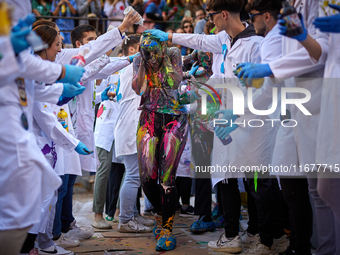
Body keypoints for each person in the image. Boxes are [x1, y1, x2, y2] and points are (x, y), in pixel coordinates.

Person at [0, 1, 85, 253]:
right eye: (57, 44)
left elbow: (32, 83)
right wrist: (61, 74)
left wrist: (60, 87)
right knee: (27, 202)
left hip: (22, 135)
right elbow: (27, 68)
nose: (60, 49)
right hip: (16, 136)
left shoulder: (23, 46)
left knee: (40, 195)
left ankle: (36, 245)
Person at [132, 31, 197, 251]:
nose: (151, 56)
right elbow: (138, 88)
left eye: (154, 51)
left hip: (174, 119)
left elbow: (174, 82)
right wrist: (142, 61)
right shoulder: (141, 58)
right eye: (147, 51)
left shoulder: (173, 53)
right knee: (147, 176)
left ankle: (168, 229)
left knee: (167, 179)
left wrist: (164, 58)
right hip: (149, 117)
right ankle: (161, 215)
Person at [114, 35, 154, 233]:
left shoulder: (133, 68)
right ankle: (125, 220)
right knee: (132, 176)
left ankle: (132, 214)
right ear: (135, 49)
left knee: (135, 176)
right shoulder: (134, 68)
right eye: (145, 47)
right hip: (130, 128)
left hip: (130, 127)